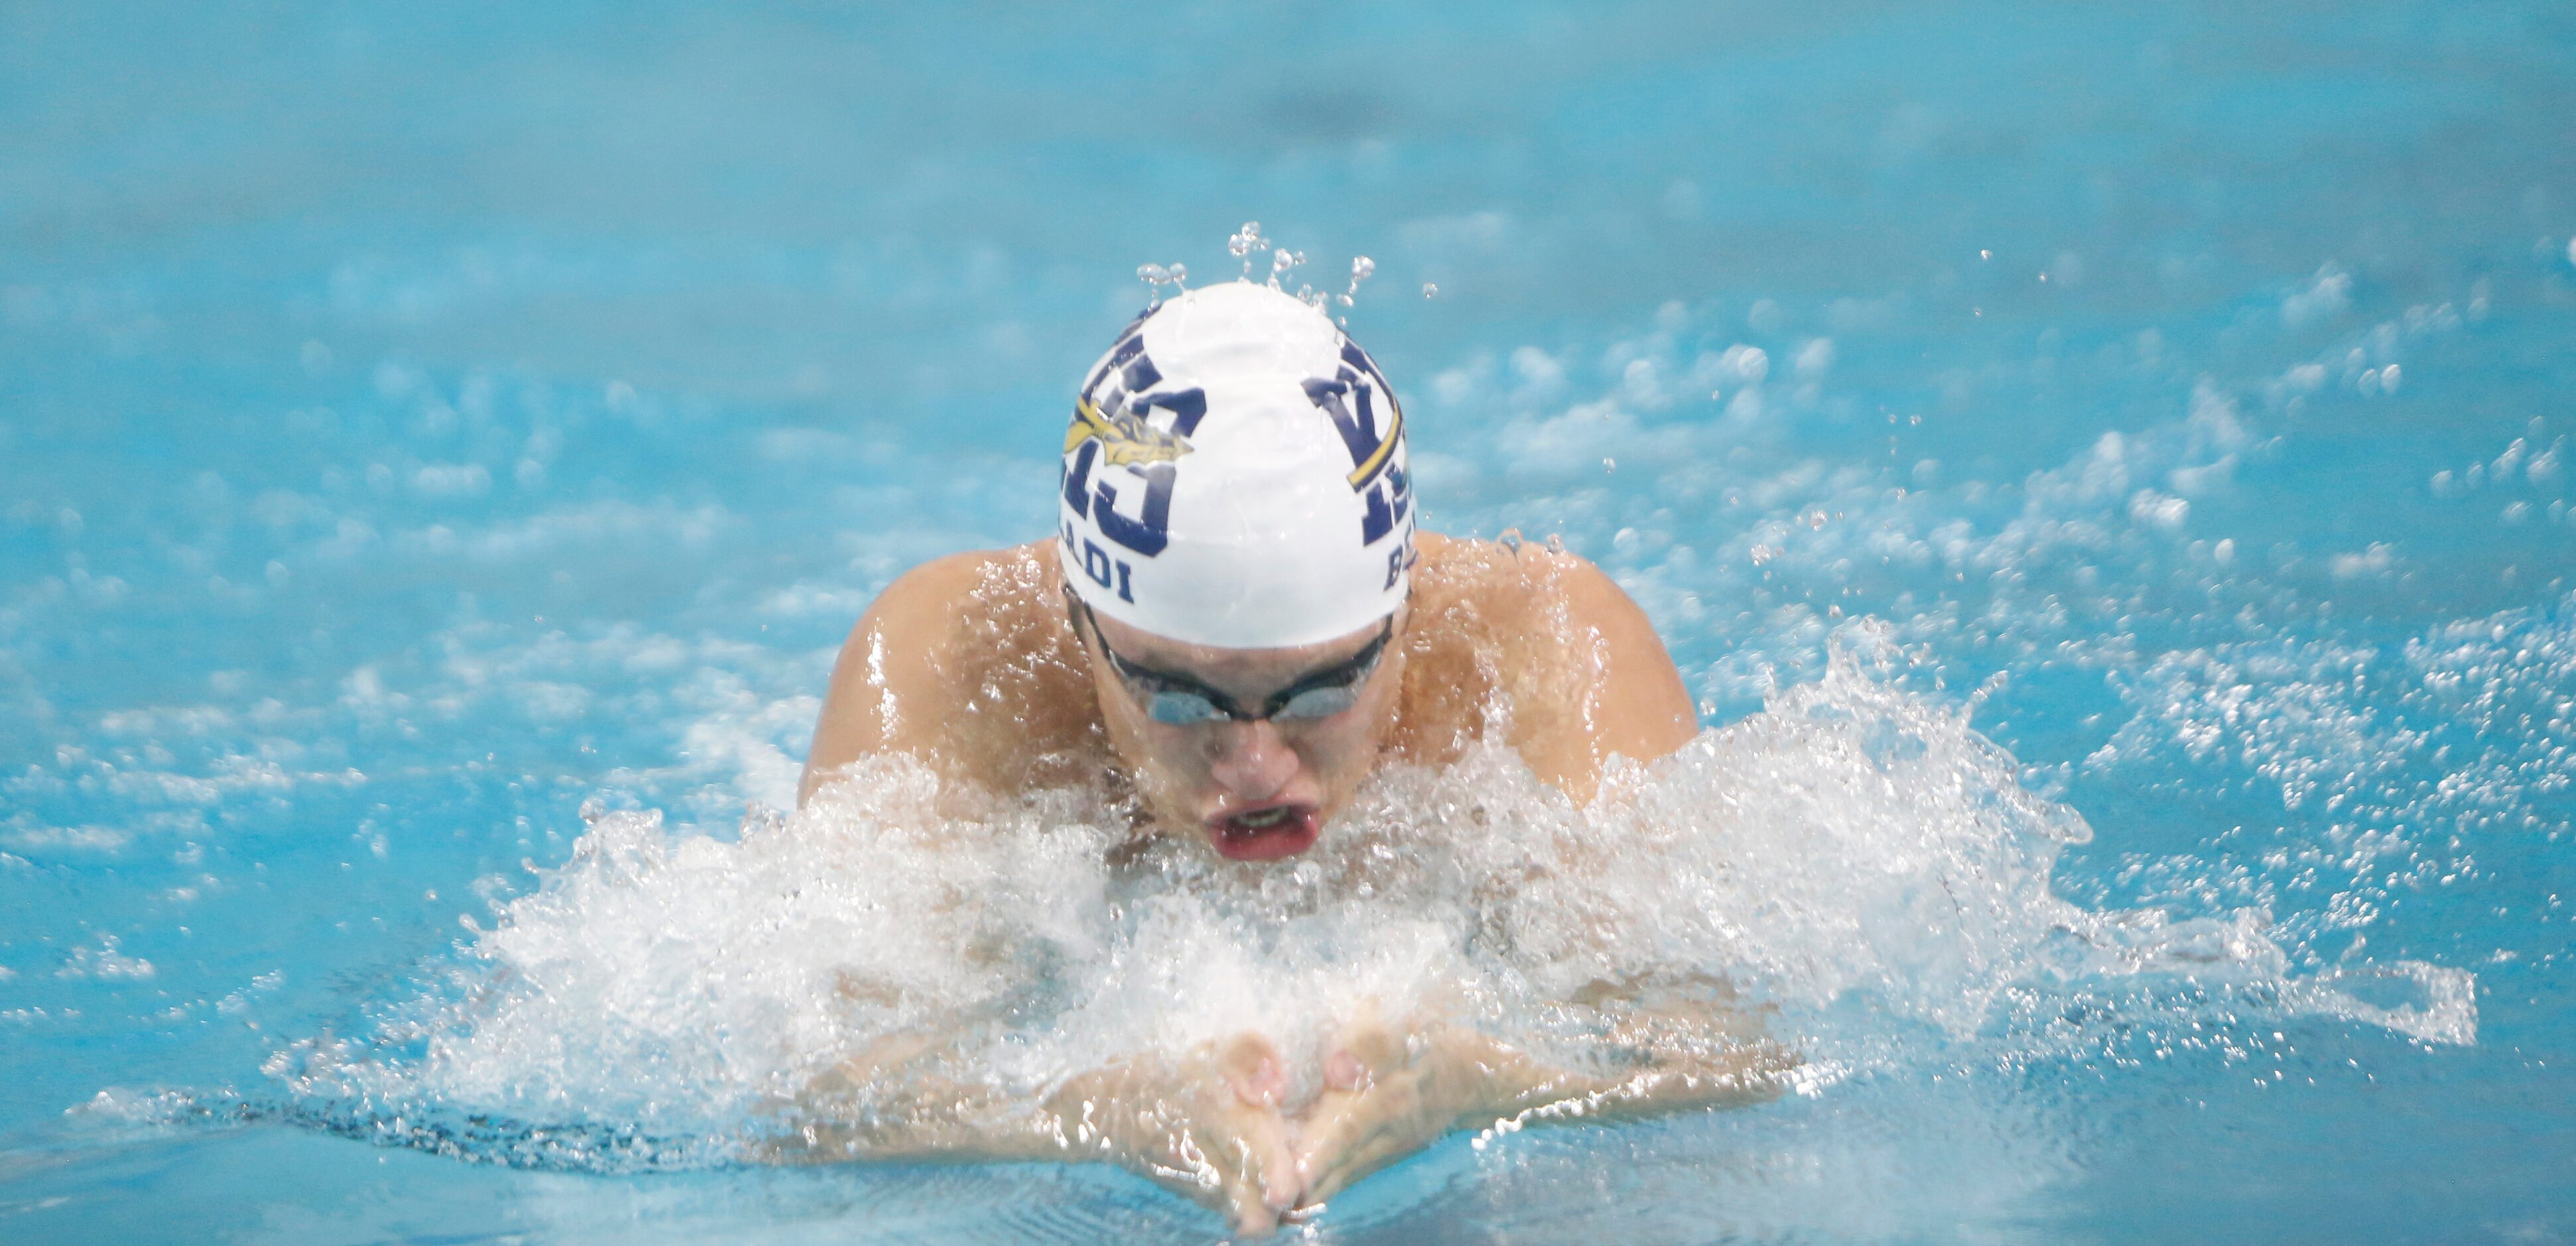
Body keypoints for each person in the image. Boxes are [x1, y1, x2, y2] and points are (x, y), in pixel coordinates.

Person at [794, 281, 1782, 1233]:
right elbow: (831, 1101)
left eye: (1322, 691)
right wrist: (1092, 1116)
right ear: (1077, 621)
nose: (1257, 766)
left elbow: (1725, 1058)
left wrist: (1484, 1088)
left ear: (1405, 612)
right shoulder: (953, 667)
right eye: (1177, 695)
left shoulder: (1545, 657)